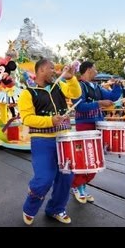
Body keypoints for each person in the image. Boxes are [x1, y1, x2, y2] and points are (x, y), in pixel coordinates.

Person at [18, 59, 81, 225]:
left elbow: (76, 94)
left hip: (64, 139)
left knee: (66, 177)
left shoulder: (59, 86)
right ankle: (30, 207)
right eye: (51, 68)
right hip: (41, 141)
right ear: (40, 70)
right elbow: (27, 118)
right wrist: (50, 121)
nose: (55, 71)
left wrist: (70, 78)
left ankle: (56, 208)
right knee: (44, 178)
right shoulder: (28, 93)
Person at [70, 61, 122, 203]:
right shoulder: (78, 86)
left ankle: (82, 184)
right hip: (84, 124)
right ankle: (76, 185)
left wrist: (117, 86)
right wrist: (99, 103)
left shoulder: (97, 87)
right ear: (88, 69)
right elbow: (79, 107)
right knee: (85, 158)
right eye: (95, 68)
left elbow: (112, 97)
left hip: (97, 124)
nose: (97, 70)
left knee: (95, 158)